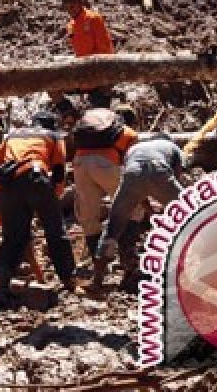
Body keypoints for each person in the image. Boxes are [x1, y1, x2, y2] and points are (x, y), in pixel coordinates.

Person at [0, 111, 77, 306]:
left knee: (12, 237)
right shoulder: (53, 136)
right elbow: (59, 171)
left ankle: (2, 285)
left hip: (10, 183)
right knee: (55, 231)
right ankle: (68, 279)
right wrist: (53, 198)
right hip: (37, 178)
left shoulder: (12, 135)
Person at [96, 133, 185, 291]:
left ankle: (97, 279)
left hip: (132, 175)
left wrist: (149, 209)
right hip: (160, 172)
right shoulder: (173, 148)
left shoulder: (134, 148)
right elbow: (176, 178)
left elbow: (136, 182)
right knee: (191, 212)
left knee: (114, 226)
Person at [68, 97, 137, 289]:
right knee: (133, 209)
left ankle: (98, 275)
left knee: (89, 220)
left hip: (80, 164)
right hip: (106, 165)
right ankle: (129, 268)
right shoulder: (128, 133)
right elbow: (133, 166)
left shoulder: (89, 133)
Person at [53, 0, 114, 112]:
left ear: (80, 2)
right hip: (81, 74)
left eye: (73, 2)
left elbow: (106, 50)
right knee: (52, 86)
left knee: (99, 117)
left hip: (98, 74)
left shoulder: (93, 18)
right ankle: (69, 115)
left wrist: (105, 78)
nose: (70, 6)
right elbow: (79, 53)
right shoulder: (71, 25)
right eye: (66, 3)